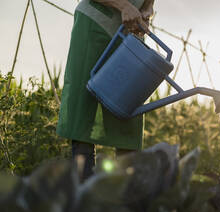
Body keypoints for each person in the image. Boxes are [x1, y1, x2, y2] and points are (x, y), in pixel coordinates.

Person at [57, 0, 154, 182]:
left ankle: (125, 200)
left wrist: (147, 9)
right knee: (83, 111)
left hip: (130, 31)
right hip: (94, 24)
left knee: (129, 110)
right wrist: (124, 6)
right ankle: (85, 195)